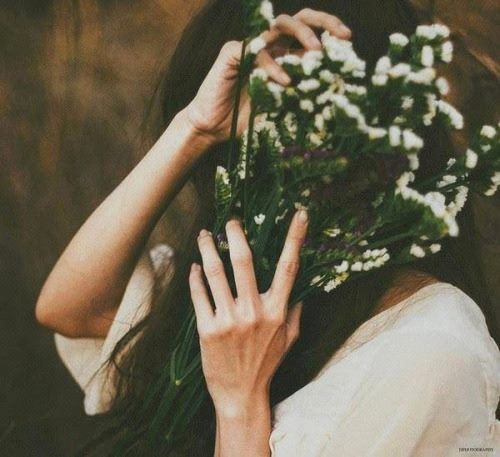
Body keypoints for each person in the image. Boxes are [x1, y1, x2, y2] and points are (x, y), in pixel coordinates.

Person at [35, 0, 500, 455]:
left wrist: (238, 402)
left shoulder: (430, 350)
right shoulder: (243, 295)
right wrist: (195, 128)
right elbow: (69, 311)